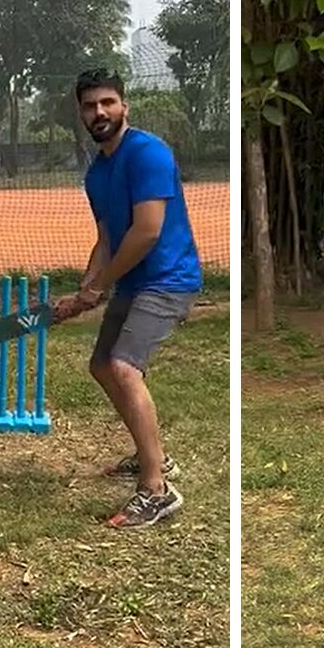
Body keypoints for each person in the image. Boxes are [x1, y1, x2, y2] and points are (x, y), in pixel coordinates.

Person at [54, 67, 203, 529]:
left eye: (107, 103)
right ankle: (152, 454)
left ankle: (156, 489)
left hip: (169, 279)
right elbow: (107, 238)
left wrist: (102, 286)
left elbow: (146, 232)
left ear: (124, 105)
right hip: (135, 283)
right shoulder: (97, 173)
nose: (99, 112)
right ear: (80, 112)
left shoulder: (148, 153)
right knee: (101, 366)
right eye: (89, 105)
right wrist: (87, 285)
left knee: (123, 367)